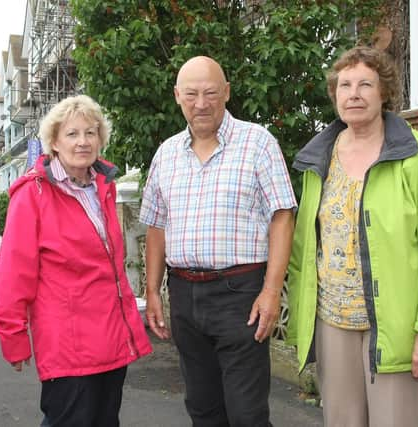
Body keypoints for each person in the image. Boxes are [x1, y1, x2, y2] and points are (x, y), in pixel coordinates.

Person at [286, 46, 418, 427]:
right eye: (345, 85)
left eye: (365, 84)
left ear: (384, 92)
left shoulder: (414, 155)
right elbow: (305, 248)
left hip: (398, 326)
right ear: (335, 95)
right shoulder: (318, 160)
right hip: (333, 322)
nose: (353, 93)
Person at [140, 56, 297, 427]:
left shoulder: (257, 142)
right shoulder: (166, 154)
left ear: (226, 92)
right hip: (183, 295)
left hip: (240, 295)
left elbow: (283, 216)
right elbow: (156, 227)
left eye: (211, 93)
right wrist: (151, 292)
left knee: (247, 414)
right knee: (203, 408)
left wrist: (272, 291)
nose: (201, 103)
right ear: (177, 95)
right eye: (191, 94)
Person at [0, 94, 152, 427]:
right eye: (72, 134)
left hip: (111, 339)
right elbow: (13, 274)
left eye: (90, 133)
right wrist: (13, 334)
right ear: (53, 142)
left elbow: (111, 271)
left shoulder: (102, 188)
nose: (83, 142)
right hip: (68, 346)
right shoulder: (32, 195)